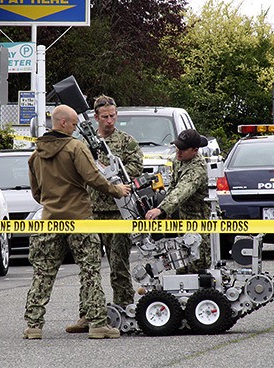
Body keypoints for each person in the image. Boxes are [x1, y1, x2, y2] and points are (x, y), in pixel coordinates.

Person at [23, 104, 131, 340]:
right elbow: (93, 178)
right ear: (63, 123)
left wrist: (53, 202)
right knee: (90, 271)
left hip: (50, 220)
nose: (75, 128)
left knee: (43, 272)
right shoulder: (75, 147)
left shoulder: (35, 154)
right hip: (80, 219)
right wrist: (116, 190)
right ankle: (97, 324)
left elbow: (36, 193)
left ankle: (33, 325)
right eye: (73, 124)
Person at [66, 95, 143, 334]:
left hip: (117, 213)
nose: (110, 120)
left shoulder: (126, 141)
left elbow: (136, 167)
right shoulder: (83, 143)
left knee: (119, 265)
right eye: (105, 116)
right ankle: (88, 314)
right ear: (96, 117)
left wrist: (113, 171)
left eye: (113, 115)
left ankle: (125, 309)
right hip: (89, 211)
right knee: (88, 267)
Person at [144, 128, 212, 274]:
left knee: (197, 268)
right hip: (181, 220)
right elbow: (173, 187)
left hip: (199, 223)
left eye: (182, 149)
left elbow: (182, 191)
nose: (178, 152)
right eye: (177, 147)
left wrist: (161, 210)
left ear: (194, 150)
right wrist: (166, 211)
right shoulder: (178, 160)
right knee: (180, 266)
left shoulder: (197, 168)